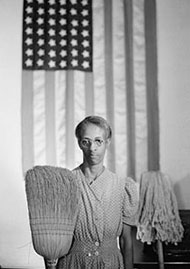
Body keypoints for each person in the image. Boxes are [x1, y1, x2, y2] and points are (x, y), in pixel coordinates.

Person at [56, 115, 139, 269]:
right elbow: (56, 237)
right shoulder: (66, 183)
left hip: (111, 264)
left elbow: (126, 241)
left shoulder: (122, 186)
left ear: (107, 142)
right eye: (85, 142)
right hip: (74, 264)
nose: (92, 148)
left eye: (98, 141)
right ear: (79, 144)